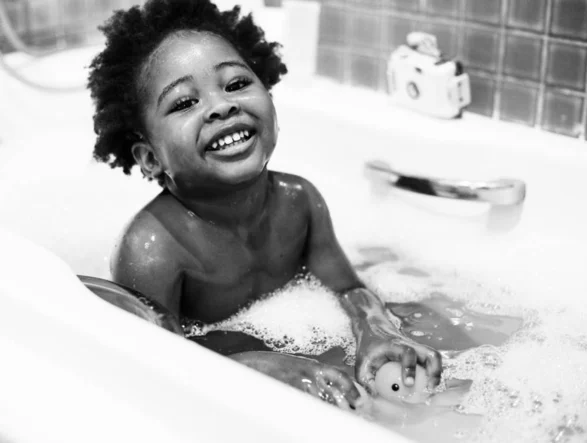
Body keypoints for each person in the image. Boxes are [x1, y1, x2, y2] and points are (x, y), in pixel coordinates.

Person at [87, 0, 442, 409]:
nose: (222, 106)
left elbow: (347, 288)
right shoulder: (152, 249)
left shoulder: (299, 200)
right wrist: (259, 368)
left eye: (236, 84)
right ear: (150, 158)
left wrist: (377, 327)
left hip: (296, 333)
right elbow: (156, 370)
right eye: (184, 103)